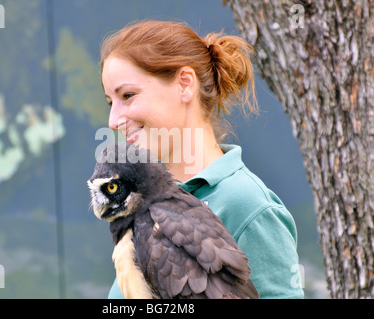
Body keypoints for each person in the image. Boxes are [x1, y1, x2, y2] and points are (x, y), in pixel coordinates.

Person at [99, 19, 304, 299]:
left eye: (128, 95)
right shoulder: (144, 205)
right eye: (111, 102)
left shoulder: (250, 207)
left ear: (185, 84)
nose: (113, 120)